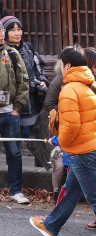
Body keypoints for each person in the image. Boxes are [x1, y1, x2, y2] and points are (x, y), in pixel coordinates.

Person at [29, 45, 96, 236]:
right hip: (93, 144)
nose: (61, 68)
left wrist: (60, 141)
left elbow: (71, 126)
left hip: (82, 150)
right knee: (72, 190)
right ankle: (51, 226)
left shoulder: (70, 89)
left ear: (68, 65)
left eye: (62, 64)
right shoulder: (92, 85)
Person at [44, 47, 96, 230]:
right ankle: (52, 223)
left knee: (94, 193)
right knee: (77, 188)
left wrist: (61, 140)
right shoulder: (66, 83)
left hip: (82, 145)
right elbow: (53, 106)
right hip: (81, 143)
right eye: (94, 66)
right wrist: (59, 133)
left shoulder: (85, 84)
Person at [1, 15, 49, 169]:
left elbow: (39, 69)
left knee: (37, 139)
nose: (17, 33)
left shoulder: (28, 48)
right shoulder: (4, 52)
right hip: (10, 106)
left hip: (31, 103)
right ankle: (14, 175)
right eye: (12, 30)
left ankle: (41, 170)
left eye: (19, 29)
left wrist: (42, 81)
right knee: (13, 145)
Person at [0, 23, 29, 204]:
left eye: (2, 31)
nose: (2, 35)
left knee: (14, 151)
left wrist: (18, 107)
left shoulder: (11, 53)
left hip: (9, 111)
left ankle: (16, 190)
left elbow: (23, 81)